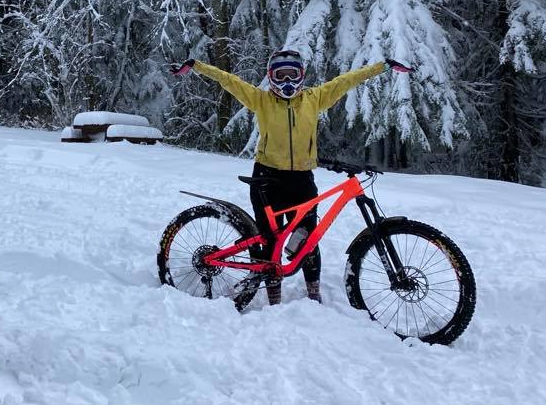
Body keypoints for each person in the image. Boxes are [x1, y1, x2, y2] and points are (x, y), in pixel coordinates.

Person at [170, 50, 415, 305]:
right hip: (267, 179)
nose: (287, 81)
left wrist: (382, 67)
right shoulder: (260, 100)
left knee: (308, 241)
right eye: (280, 75)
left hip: (302, 180)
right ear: (271, 77)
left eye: (292, 75)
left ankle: (313, 295)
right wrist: (197, 66)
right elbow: (228, 80)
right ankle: (273, 296)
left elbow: (347, 80)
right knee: (271, 241)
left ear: (301, 76)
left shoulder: (315, 98)